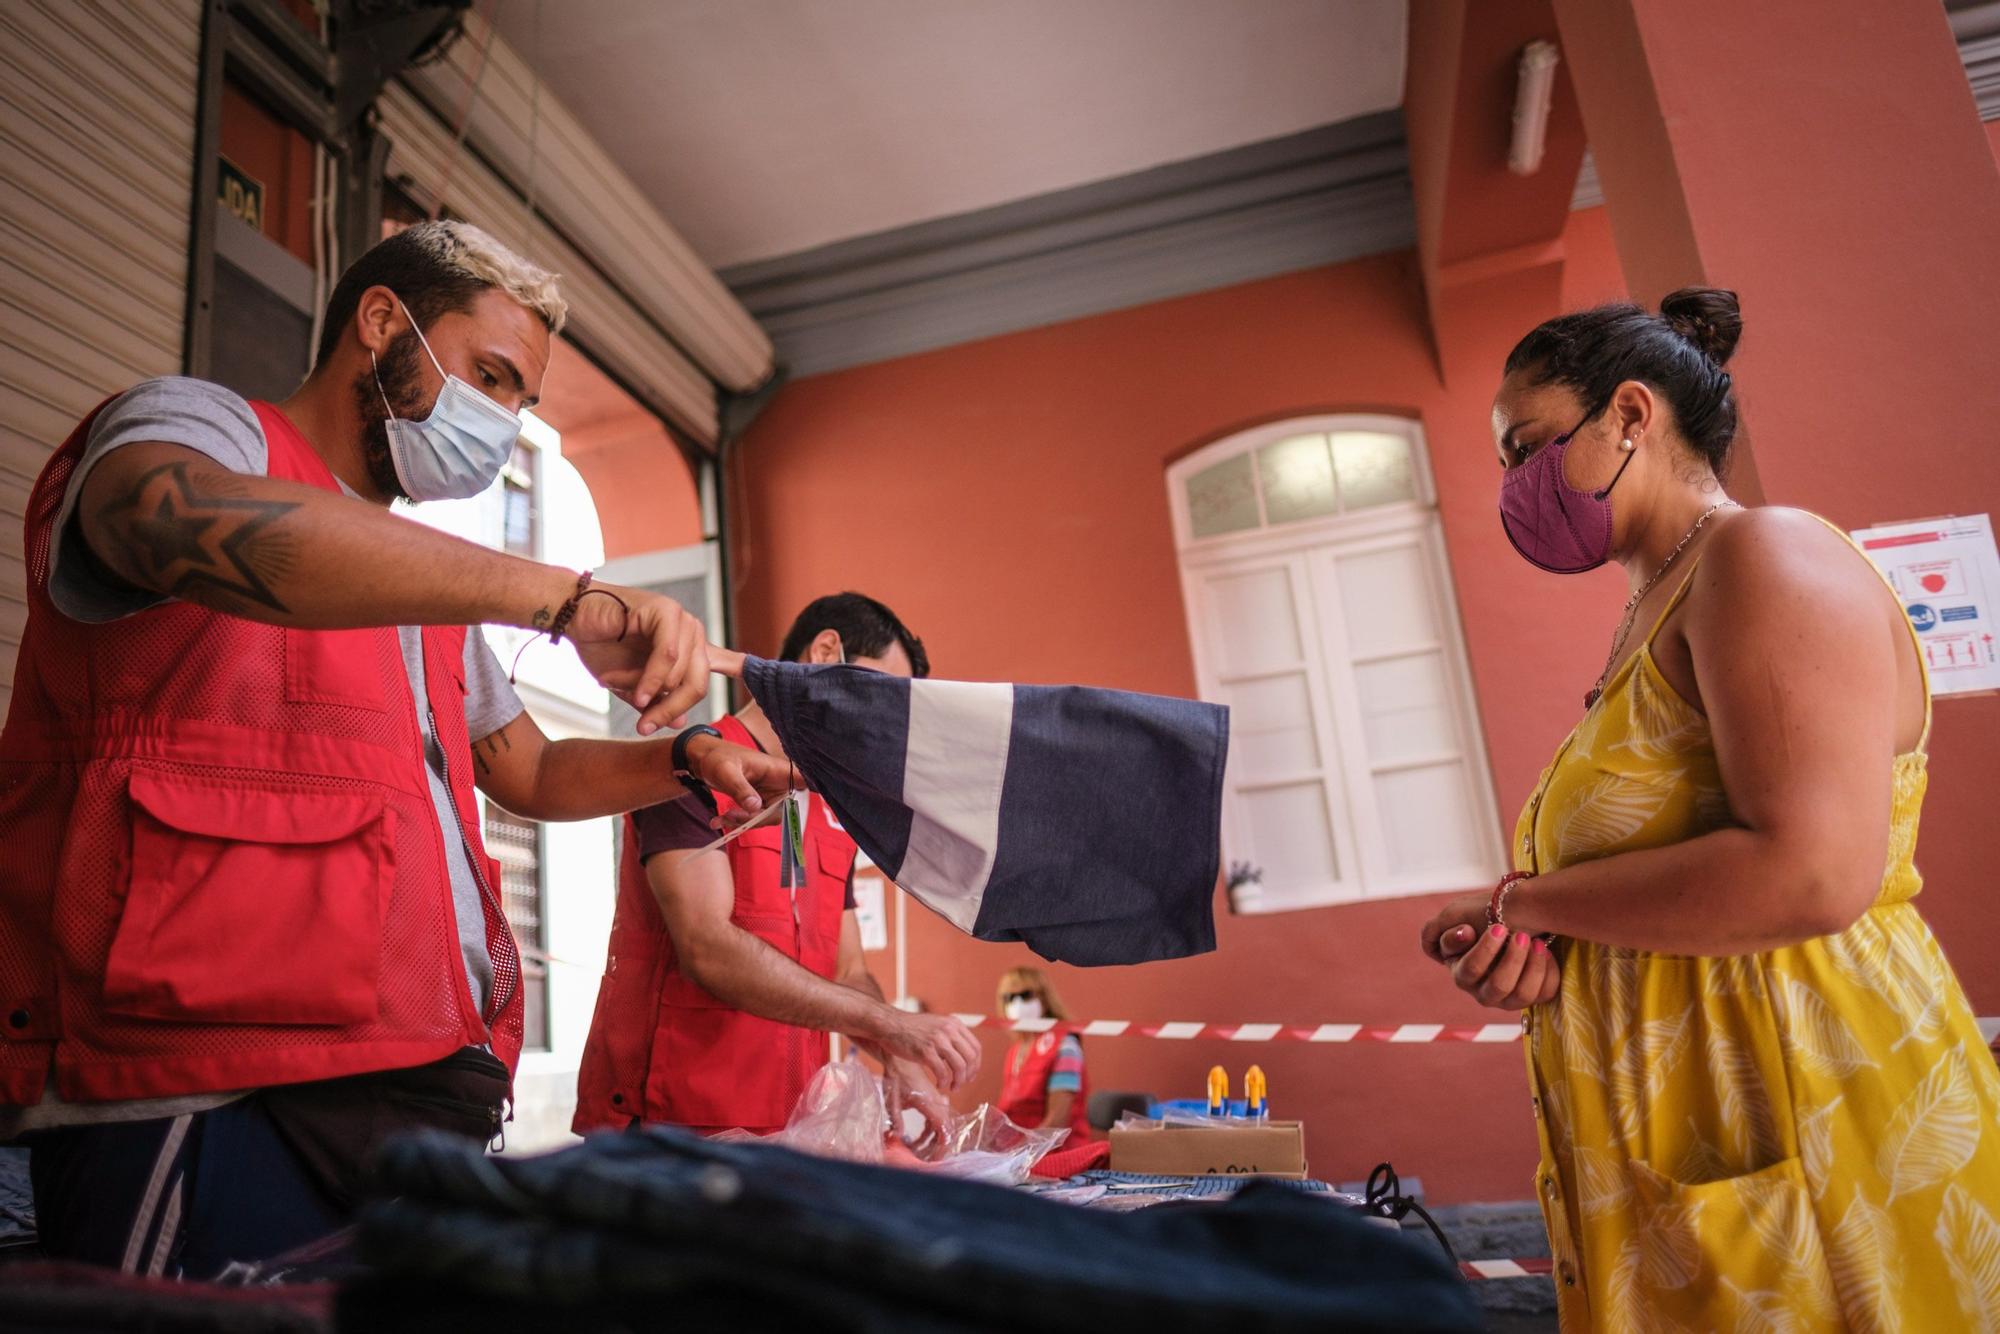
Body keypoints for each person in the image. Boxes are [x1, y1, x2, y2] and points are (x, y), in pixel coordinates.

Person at [0, 220, 792, 1277]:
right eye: (491, 375)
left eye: (522, 402)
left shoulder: (422, 589)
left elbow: (528, 769)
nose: (502, 423)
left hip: (404, 1077)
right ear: (382, 323)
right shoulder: (205, 426)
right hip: (195, 1077)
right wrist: (562, 598)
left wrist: (686, 758)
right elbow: (163, 517)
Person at [1419, 288, 2000, 1330]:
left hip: (1800, 1101)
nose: (1512, 484)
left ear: (1629, 416)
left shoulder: (1761, 556)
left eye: (1527, 447)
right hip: (1697, 1131)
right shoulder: (1659, 604)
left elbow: (1809, 873)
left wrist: (1530, 897)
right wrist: (1540, 928)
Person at [573, 593, 982, 1137]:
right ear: (825, 651)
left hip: (788, 1125)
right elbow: (706, 949)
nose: (878, 721)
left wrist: (899, 1058)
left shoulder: (830, 808)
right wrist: (894, 1024)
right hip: (673, 1125)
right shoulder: (693, 764)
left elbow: (847, 969)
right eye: (878, 691)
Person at [994, 967, 1091, 1141]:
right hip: (1017, 1152)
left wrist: (1015, 1155)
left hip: (1056, 1152)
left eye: (1025, 995)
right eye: (1009, 998)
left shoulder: (1065, 1046)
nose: (1017, 1004)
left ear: (1045, 999)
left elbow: (1056, 1123)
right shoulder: (1015, 1051)